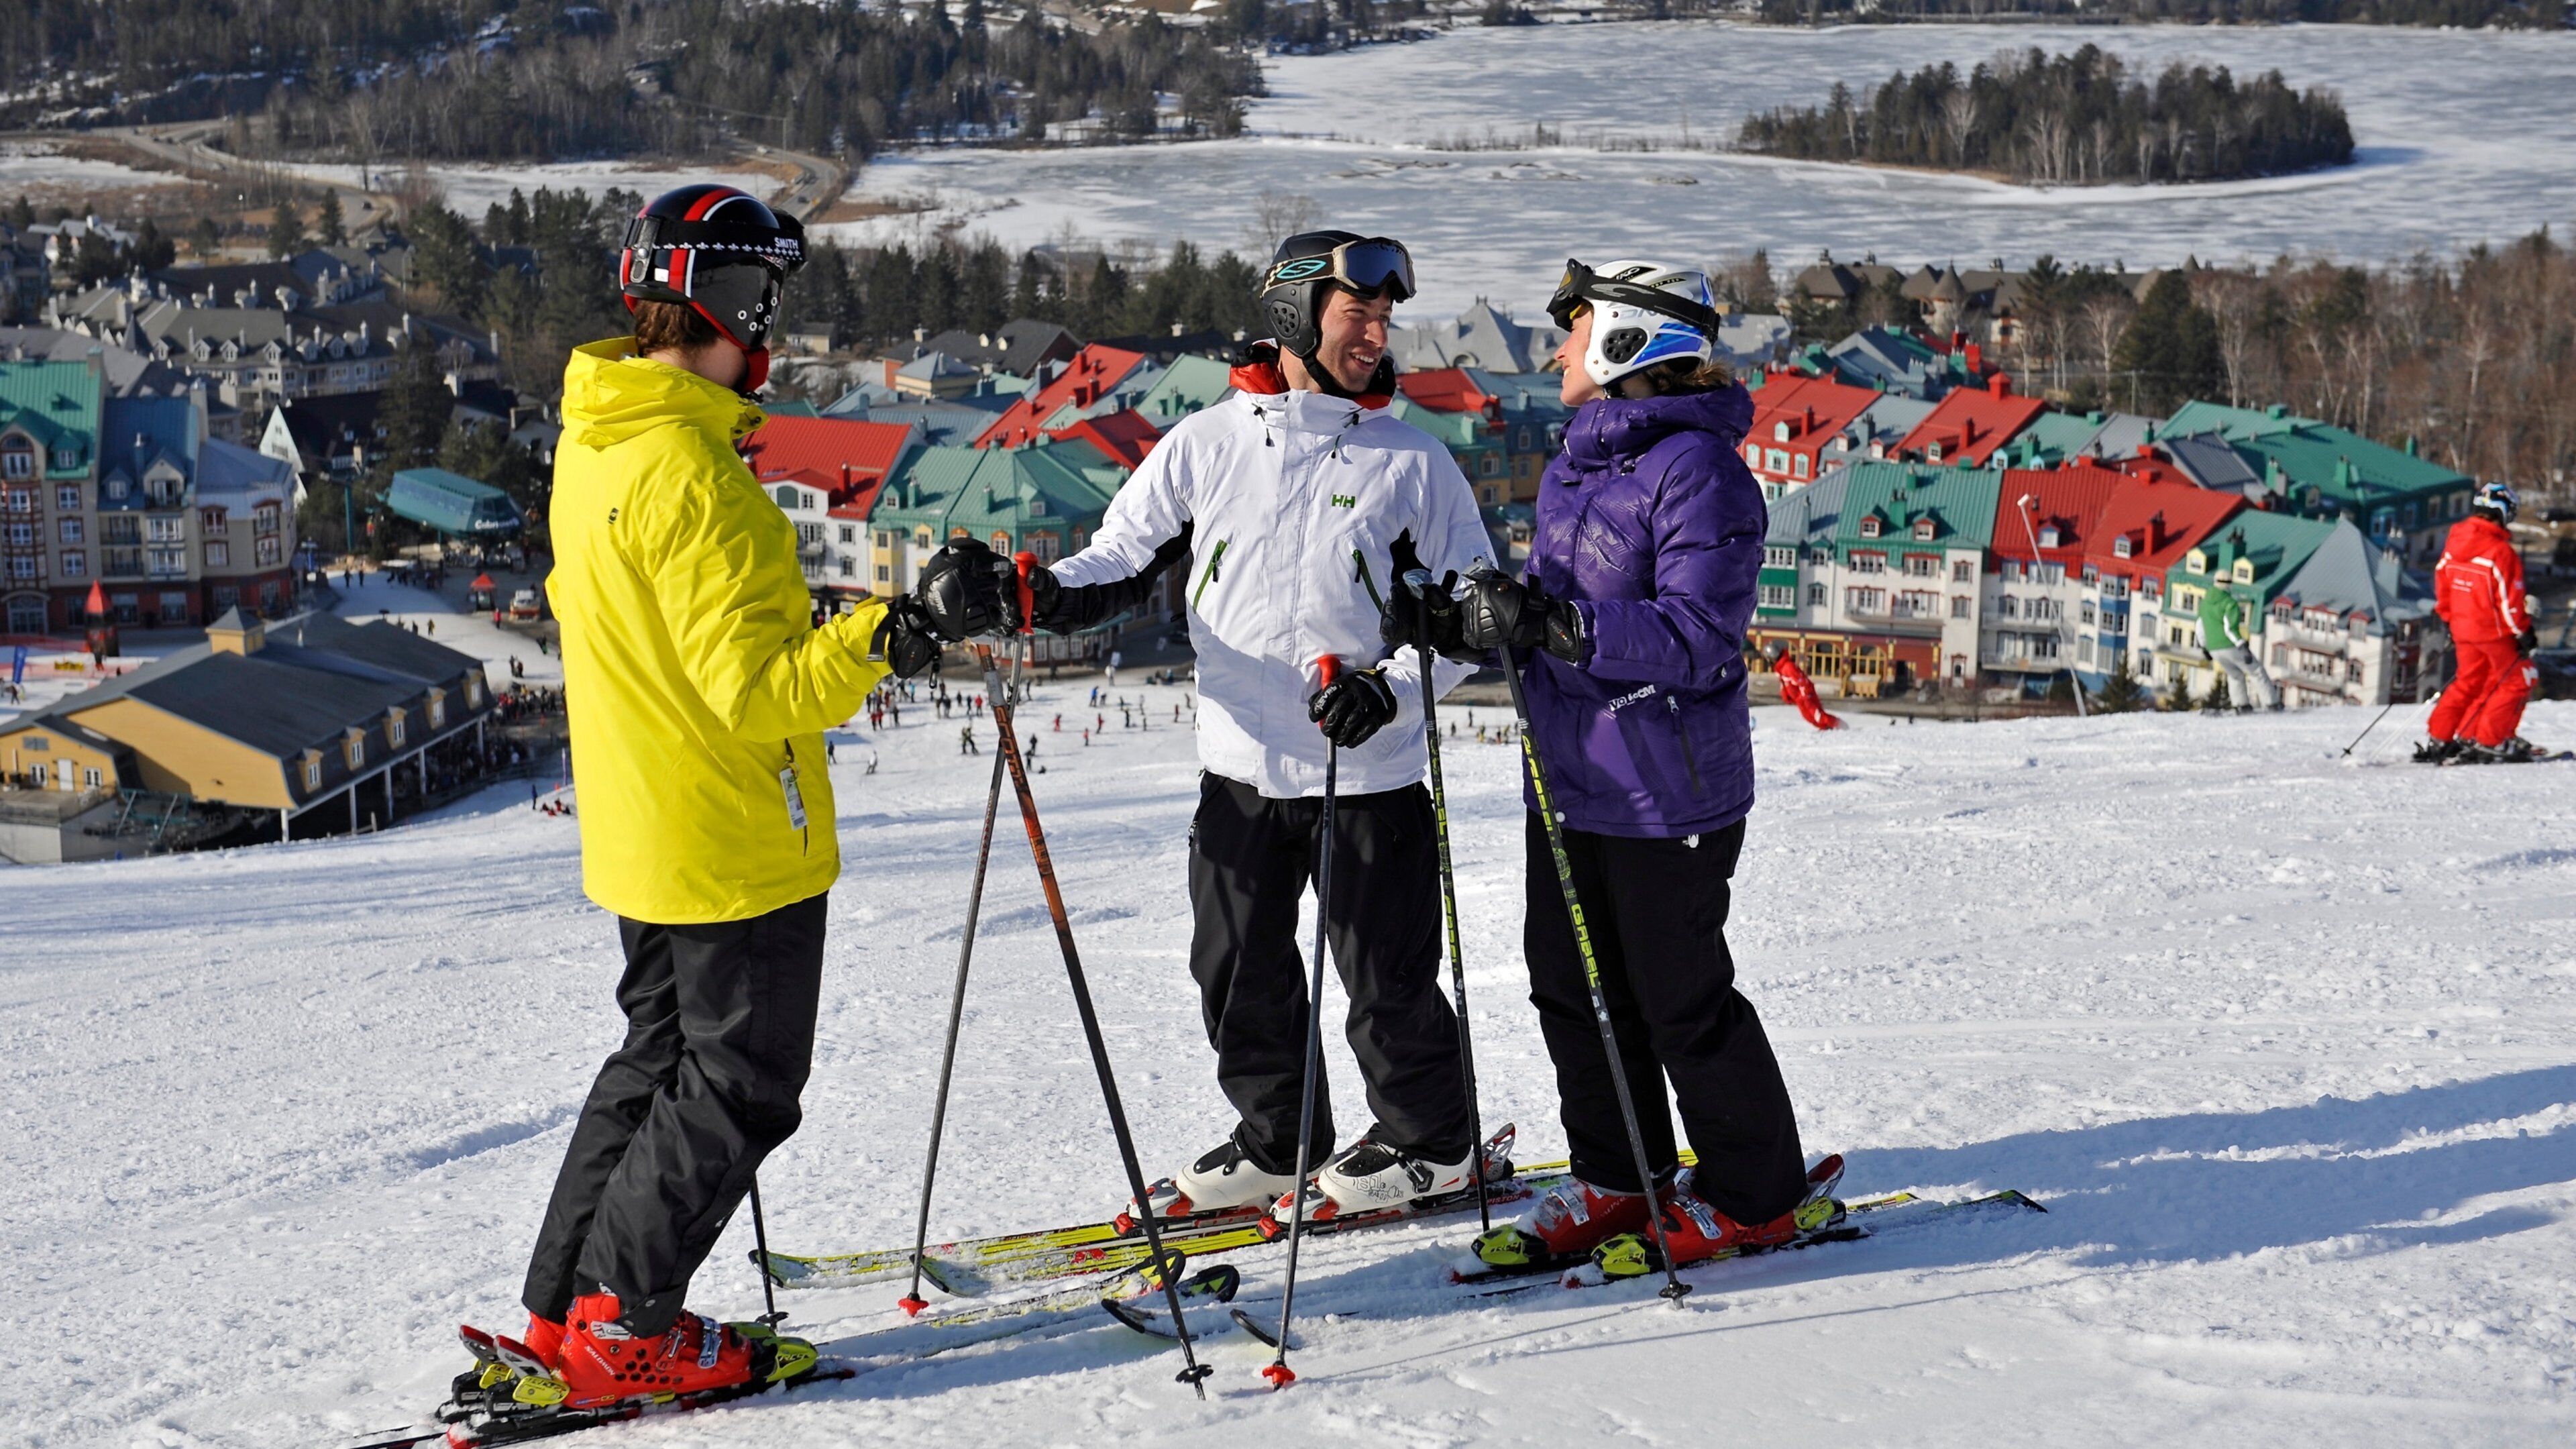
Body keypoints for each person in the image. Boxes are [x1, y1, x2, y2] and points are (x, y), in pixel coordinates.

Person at [913, 231, 1495, 1222]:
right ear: (1295, 315)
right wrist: (1031, 594)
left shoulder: (1413, 462)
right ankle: (1281, 1144)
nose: (1375, 335)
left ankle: (1435, 1145)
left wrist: (1390, 690)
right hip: (1238, 769)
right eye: (1356, 314)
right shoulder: (1206, 444)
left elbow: (1473, 619)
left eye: (1384, 318)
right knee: (1235, 970)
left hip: (1367, 772)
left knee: (1385, 978)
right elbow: (1121, 560)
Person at [492, 183, 945, 1413]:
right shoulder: (692, 474)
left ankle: (564, 1307)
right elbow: (759, 692)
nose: (775, 332)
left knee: (656, 1058)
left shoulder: (602, 440)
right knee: (741, 1083)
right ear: (723, 302)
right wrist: (889, 635)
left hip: (647, 824)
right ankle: (623, 1325)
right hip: (734, 832)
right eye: (766, 302)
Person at [1437, 259, 1832, 1277]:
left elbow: (1699, 636)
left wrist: (1559, 623)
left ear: (1626, 342)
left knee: (1678, 1001)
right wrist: (1484, 616)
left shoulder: (1700, 473)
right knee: (1573, 990)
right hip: (1569, 779)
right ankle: (1622, 1174)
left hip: (1667, 792)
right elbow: (1556, 608)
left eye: (1575, 331)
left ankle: (1754, 1191)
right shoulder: (1580, 460)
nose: (1560, 349)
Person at [2420, 481, 2537, 763]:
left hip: (2462, 629)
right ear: (2504, 513)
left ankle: (2444, 735)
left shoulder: (2455, 543)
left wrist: (2449, 618)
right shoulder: (2501, 552)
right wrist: (2523, 633)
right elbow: (2510, 600)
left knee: (2471, 681)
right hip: (2494, 633)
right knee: (2520, 679)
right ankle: (2491, 740)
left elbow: (2443, 582)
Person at [2197, 577, 2279, 712]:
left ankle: (2241, 705)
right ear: (2228, 585)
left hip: (2213, 648)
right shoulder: (2229, 603)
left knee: (2235, 674)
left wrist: (2204, 646)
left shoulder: (2204, 603)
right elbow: (2229, 629)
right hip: (2230, 645)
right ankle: (2271, 703)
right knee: (2256, 671)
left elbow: (2200, 626)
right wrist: (2242, 645)